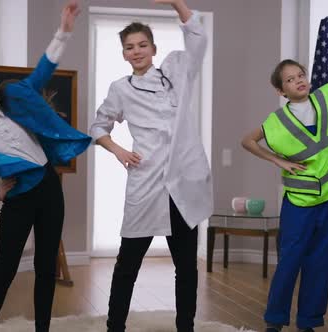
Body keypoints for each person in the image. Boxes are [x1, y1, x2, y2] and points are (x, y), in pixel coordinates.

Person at [0, 1, 91, 331]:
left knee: (45, 267)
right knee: (5, 270)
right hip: (18, 200)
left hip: (49, 188)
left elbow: (43, 70)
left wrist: (64, 31)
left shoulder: (17, 96)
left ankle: (42, 328)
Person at [89, 0, 212, 331]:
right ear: (124, 54)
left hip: (182, 182)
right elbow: (98, 127)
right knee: (128, 263)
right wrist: (117, 149)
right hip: (146, 182)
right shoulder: (120, 89)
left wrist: (177, 3)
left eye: (142, 44)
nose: (137, 51)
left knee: (186, 266)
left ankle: (185, 326)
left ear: (154, 48)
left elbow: (198, 38)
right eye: (130, 47)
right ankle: (115, 326)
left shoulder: (176, 72)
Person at [241, 48, 328, 332]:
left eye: (301, 75)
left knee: (320, 263)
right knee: (289, 263)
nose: (299, 81)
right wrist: (278, 160)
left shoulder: (325, 97)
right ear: (281, 90)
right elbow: (248, 141)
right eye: (290, 80)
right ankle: (274, 322)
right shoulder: (277, 122)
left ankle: (308, 322)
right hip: (299, 205)